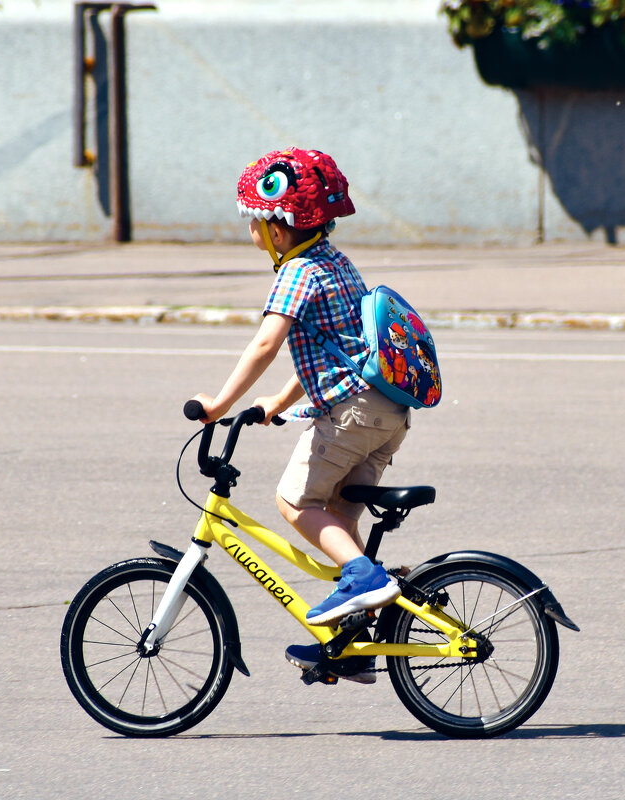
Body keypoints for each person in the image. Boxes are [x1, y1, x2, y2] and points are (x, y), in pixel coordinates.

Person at [190, 147, 410, 684]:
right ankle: (350, 647)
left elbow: (268, 342)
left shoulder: (296, 272)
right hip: (386, 415)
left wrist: (218, 405)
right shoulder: (337, 263)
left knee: (294, 501)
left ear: (280, 228)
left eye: (257, 223)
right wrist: (276, 405)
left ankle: (364, 582)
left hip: (351, 414)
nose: (254, 233)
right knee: (336, 521)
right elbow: (332, 349)